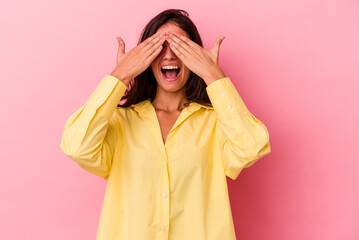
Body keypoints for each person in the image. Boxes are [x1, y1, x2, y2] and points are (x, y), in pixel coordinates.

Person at [60, 8, 271, 240]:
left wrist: (213, 75)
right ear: (146, 58)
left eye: (180, 46)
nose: (169, 55)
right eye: (160, 47)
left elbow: (252, 147)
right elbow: (76, 146)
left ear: (195, 57)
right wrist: (120, 75)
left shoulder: (215, 123)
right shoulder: (121, 122)